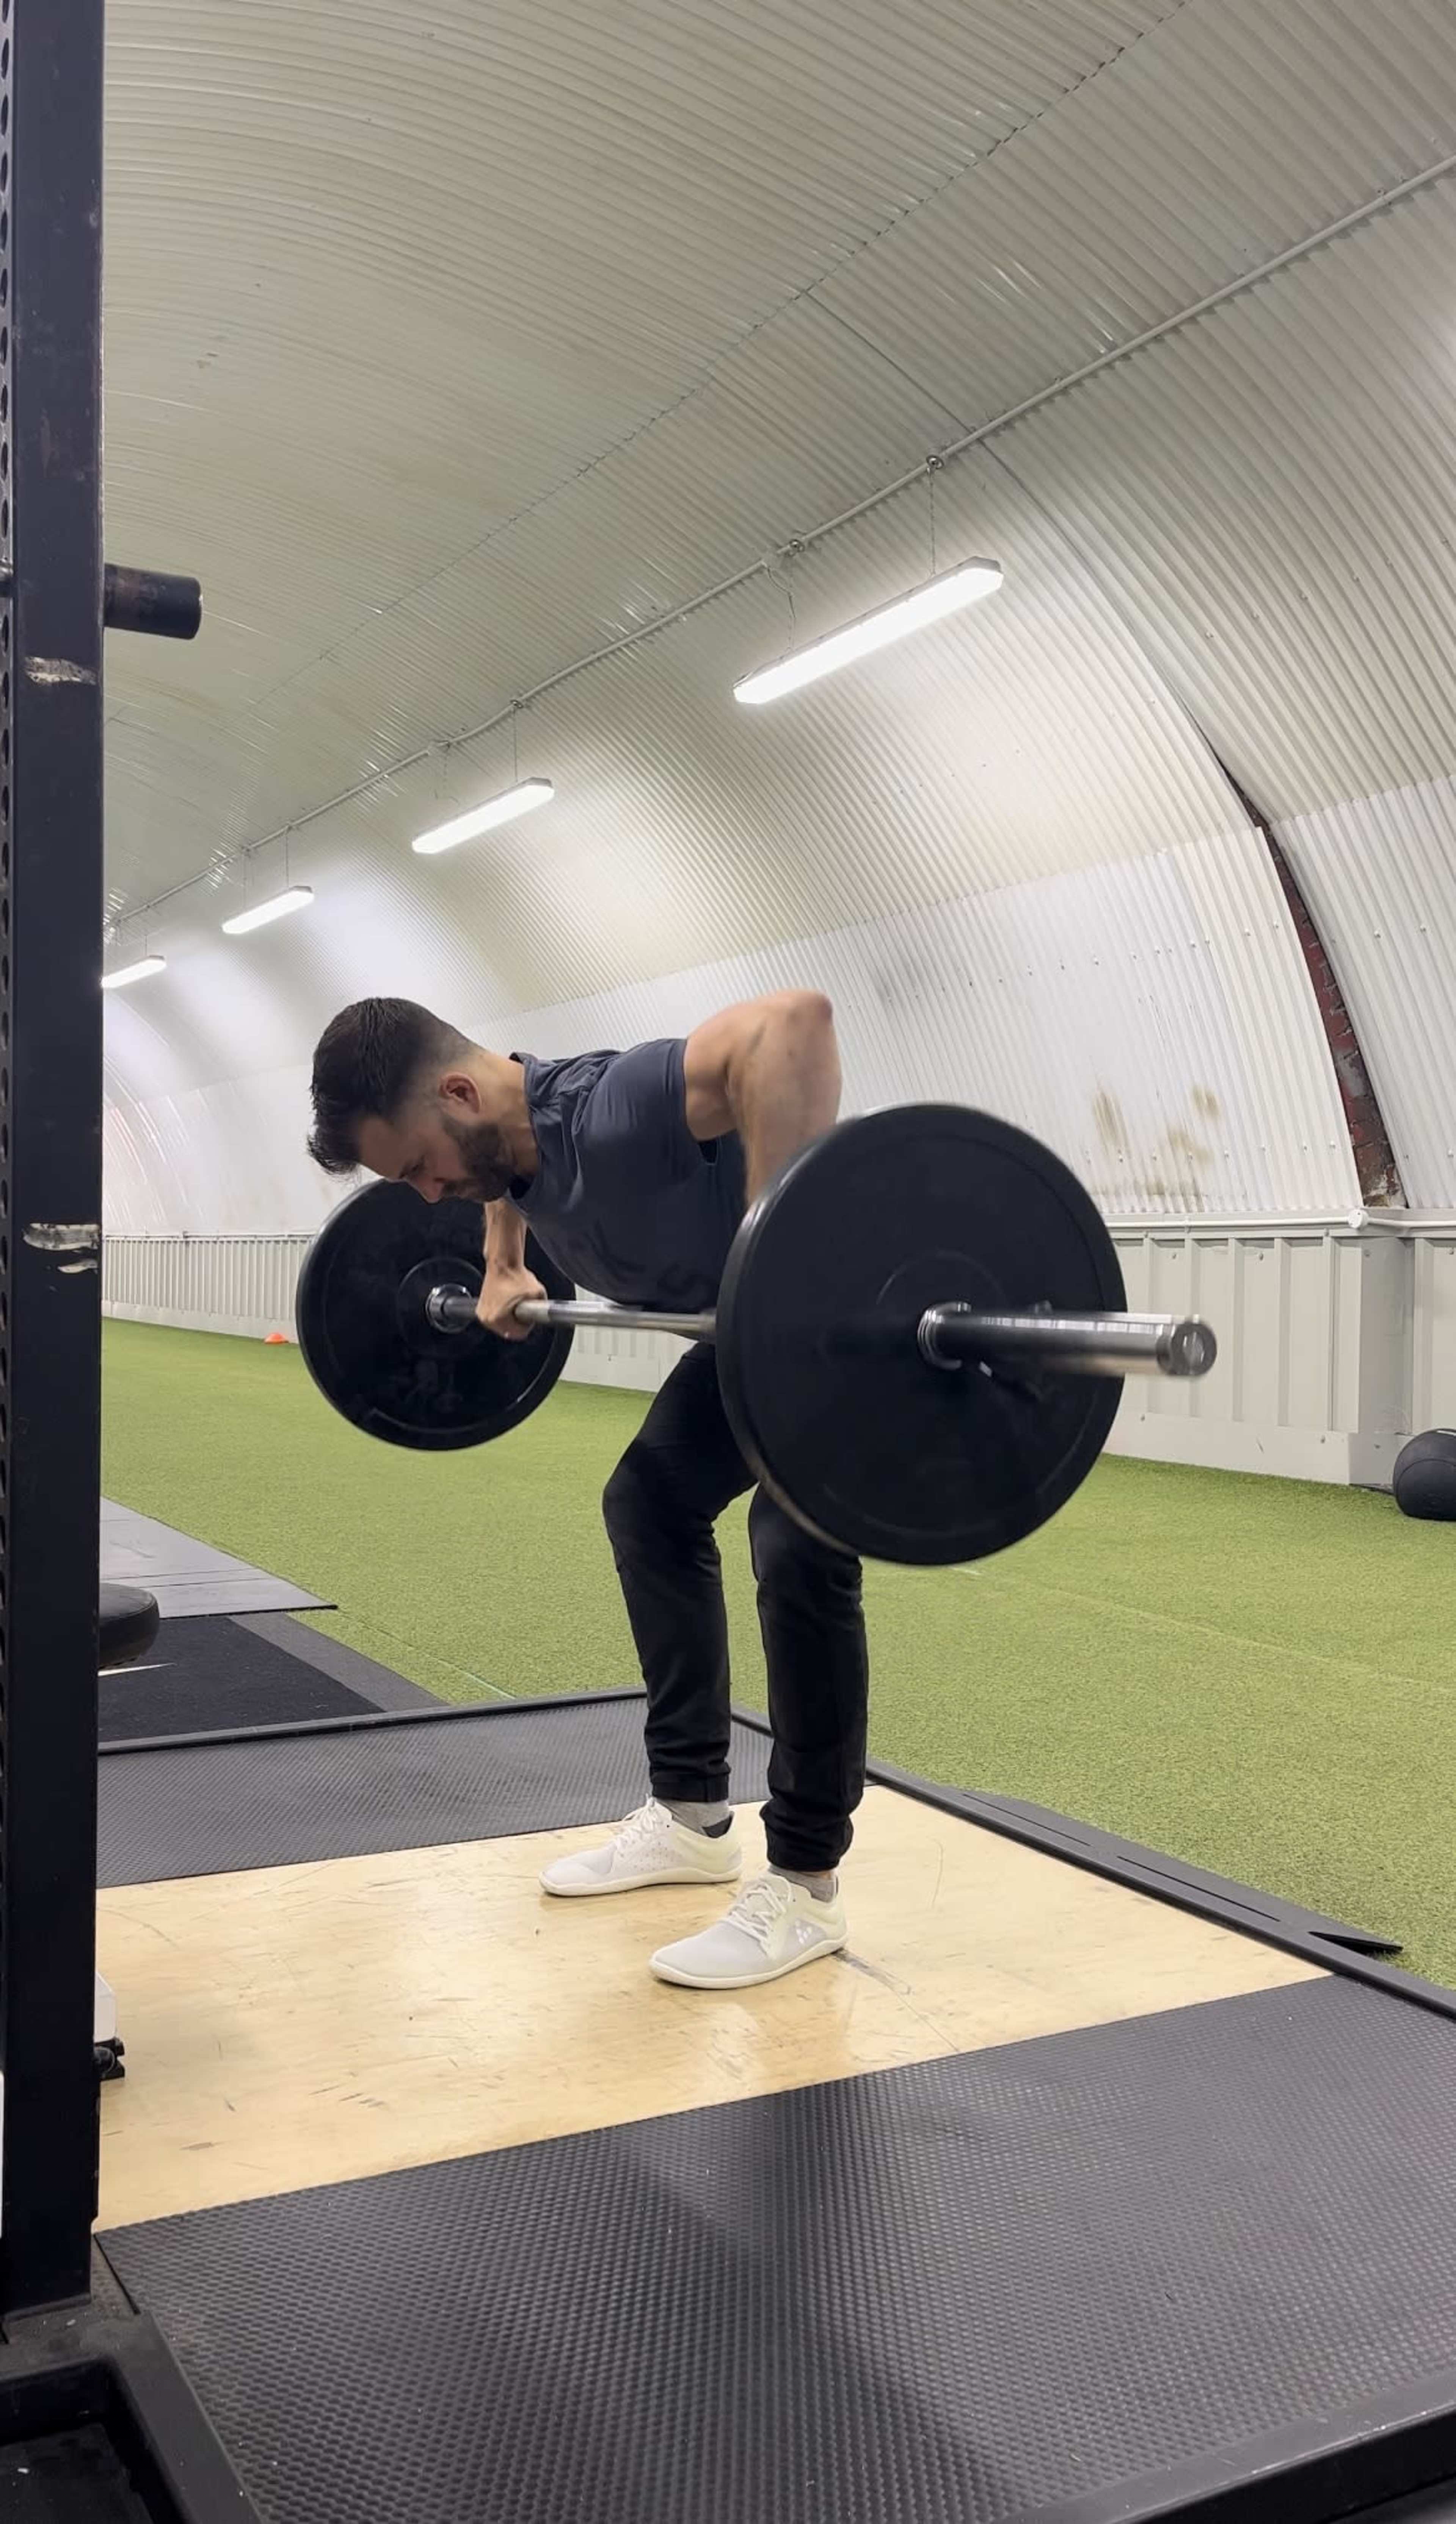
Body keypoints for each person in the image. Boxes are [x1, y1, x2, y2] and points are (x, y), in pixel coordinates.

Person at [307, 992, 868, 1989]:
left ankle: (806, 1883)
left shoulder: (618, 1109)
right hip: (753, 1342)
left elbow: (794, 1022)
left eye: (421, 1166)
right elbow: (504, 1170)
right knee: (649, 1503)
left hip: (848, 1316)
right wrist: (501, 1258)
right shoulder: (505, 1141)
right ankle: (693, 1819)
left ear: (459, 1094)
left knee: (795, 1540)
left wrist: (772, 1245)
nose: (426, 1197)